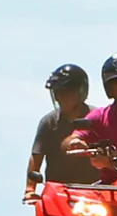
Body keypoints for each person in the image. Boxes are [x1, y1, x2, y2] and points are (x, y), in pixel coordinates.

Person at [24, 64, 99, 203]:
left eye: (64, 93)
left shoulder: (97, 119)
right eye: (56, 93)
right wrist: (30, 190)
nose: (59, 98)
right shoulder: (49, 122)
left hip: (95, 193)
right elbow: (36, 156)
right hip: (58, 194)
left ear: (81, 92)